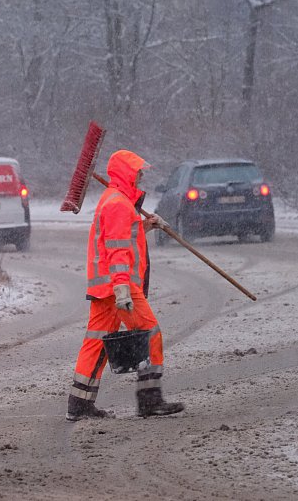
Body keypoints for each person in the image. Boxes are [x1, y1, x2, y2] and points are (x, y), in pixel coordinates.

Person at [66, 149, 185, 421]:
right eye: (137, 171)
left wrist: (146, 226)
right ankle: (150, 401)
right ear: (126, 173)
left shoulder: (114, 200)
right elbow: (118, 250)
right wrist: (122, 289)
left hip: (104, 288)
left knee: (96, 343)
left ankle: (79, 404)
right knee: (150, 333)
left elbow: (121, 236)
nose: (141, 175)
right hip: (119, 286)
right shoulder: (119, 204)